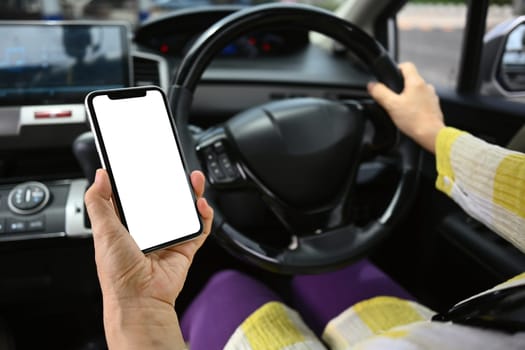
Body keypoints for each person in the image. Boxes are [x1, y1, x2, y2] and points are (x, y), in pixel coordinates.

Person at [85, 62, 525, 350]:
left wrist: (140, 310)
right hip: (456, 331)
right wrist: (430, 132)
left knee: (227, 286)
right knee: (330, 269)